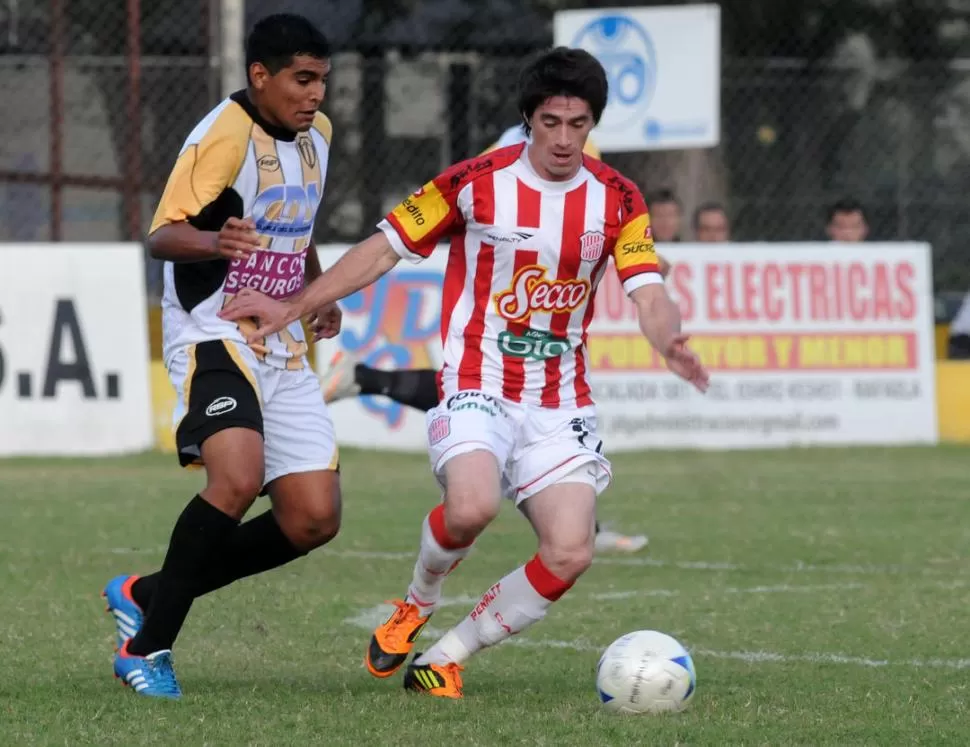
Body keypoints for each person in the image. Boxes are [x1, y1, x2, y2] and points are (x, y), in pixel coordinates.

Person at [220, 46, 710, 700]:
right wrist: (292, 306)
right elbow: (380, 249)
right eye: (551, 122)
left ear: (593, 124)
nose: (564, 138)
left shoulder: (618, 200)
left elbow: (649, 290)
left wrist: (667, 337)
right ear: (529, 118)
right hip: (477, 384)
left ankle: (446, 657)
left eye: (579, 124)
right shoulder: (475, 181)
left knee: (571, 550)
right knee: (471, 505)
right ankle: (417, 601)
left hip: (560, 402)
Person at [101, 14, 343, 699]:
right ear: (259, 76)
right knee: (237, 477)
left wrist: (317, 289)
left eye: (322, 80)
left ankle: (144, 590)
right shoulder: (224, 135)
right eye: (302, 79)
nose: (315, 94)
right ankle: (146, 650)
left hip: (283, 337)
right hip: (215, 327)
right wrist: (218, 244)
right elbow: (163, 235)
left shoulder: (318, 135)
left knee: (313, 517)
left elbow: (298, 221)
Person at [317, 352, 648, 552]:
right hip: (509, 286)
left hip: (528, 289)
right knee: (496, 396)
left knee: (503, 398)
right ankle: (363, 378)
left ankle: (364, 378)